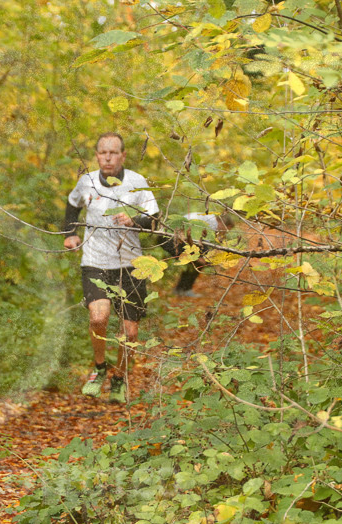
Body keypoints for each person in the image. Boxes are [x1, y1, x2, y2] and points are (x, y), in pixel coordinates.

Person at [62, 132, 158, 402]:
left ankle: (119, 378)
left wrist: (134, 221)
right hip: (95, 261)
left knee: (131, 332)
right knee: (98, 318)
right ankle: (99, 367)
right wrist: (69, 233)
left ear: (123, 156)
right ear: (96, 155)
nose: (107, 157)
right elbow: (71, 206)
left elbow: (155, 220)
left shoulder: (137, 182)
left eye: (113, 152)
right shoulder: (87, 181)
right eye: (103, 152)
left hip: (131, 265)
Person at [156, 211, 232, 297]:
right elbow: (200, 242)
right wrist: (204, 258)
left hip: (170, 236)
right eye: (227, 229)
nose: (225, 232)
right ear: (222, 223)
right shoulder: (212, 222)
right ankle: (183, 289)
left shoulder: (208, 218)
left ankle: (182, 289)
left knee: (197, 261)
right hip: (169, 237)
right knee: (198, 261)